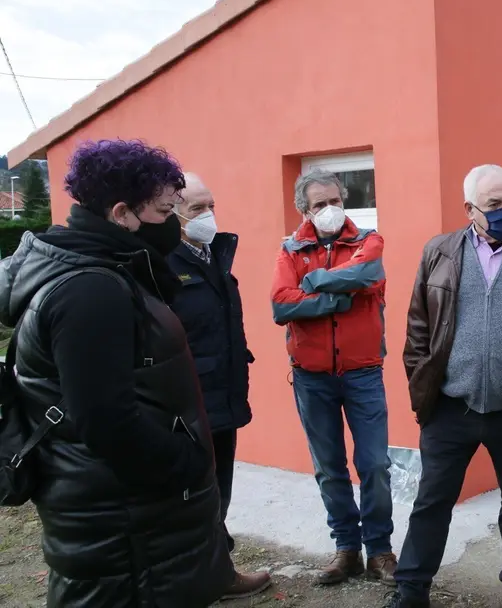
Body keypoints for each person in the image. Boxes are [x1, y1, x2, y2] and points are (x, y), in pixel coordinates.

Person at [0, 139, 270, 606]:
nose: (174, 224)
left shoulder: (104, 268)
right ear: (122, 213)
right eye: (167, 211)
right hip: (120, 532)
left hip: (126, 517)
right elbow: (105, 420)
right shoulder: (90, 290)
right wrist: (183, 464)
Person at [384, 164, 502, 608]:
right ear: (469, 209)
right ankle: (412, 588)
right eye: (495, 204)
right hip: (452, 408)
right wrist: (422, 386)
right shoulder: (439, 253)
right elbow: (418, 327)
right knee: (432, 502)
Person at [271, 168, 397, 586]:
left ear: (345, 201)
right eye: (319, 203)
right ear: (303, 209)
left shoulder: (368, 240)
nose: (329, 209)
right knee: (329, 466)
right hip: (312, 378)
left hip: (363, 373)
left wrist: (313, 282)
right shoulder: (291, 249)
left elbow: (367, 275)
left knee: (375, 464)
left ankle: (379, 549)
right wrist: (334, 301)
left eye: (335, 201)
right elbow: (281, 306)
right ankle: (347, 550)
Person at [168, 172, 255, 552]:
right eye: (197, 208)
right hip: (187, 404)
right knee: (190, 494)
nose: (208, 216)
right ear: (173, 214)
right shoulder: (162, 263)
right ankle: (200, 568)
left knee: (221, 484)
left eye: (211, 206)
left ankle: (217, 562)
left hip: (224, 394)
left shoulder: (214, 254)